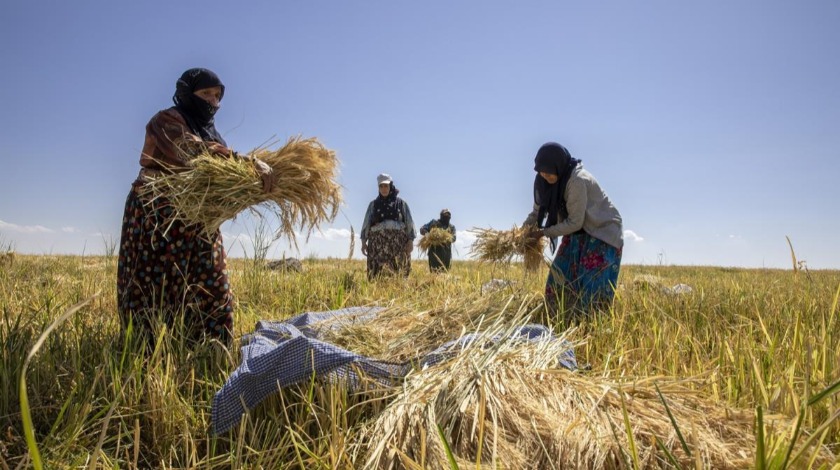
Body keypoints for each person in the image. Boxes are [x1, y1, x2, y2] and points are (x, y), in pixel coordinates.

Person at [117, 67, 274, 347]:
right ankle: (148, 352)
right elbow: (194, 153)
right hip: (157, 216)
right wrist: (247, 163)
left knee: (211, 283)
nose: (213, 102)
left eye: (217, 96)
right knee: (153, 284)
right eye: (206, 94)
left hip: (198, 220)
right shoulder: (165, 120)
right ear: (186, 94)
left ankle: (210, 349)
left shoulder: (213, 134)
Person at [523, 142, 623, 321]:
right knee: (560, 278)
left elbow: (575, 222)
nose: (545, 176)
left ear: (558, 165)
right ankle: (557, 320)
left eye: (548, 171)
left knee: (591, 287)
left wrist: (543, 233)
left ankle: (591, 329)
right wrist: (521, 233)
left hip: (601, 231)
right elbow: (537, 212)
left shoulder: (576, 180)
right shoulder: (543, 181)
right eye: (541, 172)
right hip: (578, 233)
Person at [360, 173, 416, 280]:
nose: (384, 189)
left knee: (399, 274)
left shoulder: (401, 204)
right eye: (381, 186)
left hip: (397, 246)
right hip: (378, 247)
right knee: (377, 276)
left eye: (386, 186)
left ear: (391, 186)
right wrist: (363, 242)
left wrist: (410, 241)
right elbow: (366, 224)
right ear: (378, 187)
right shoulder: (373, 205)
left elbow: (409, 223)